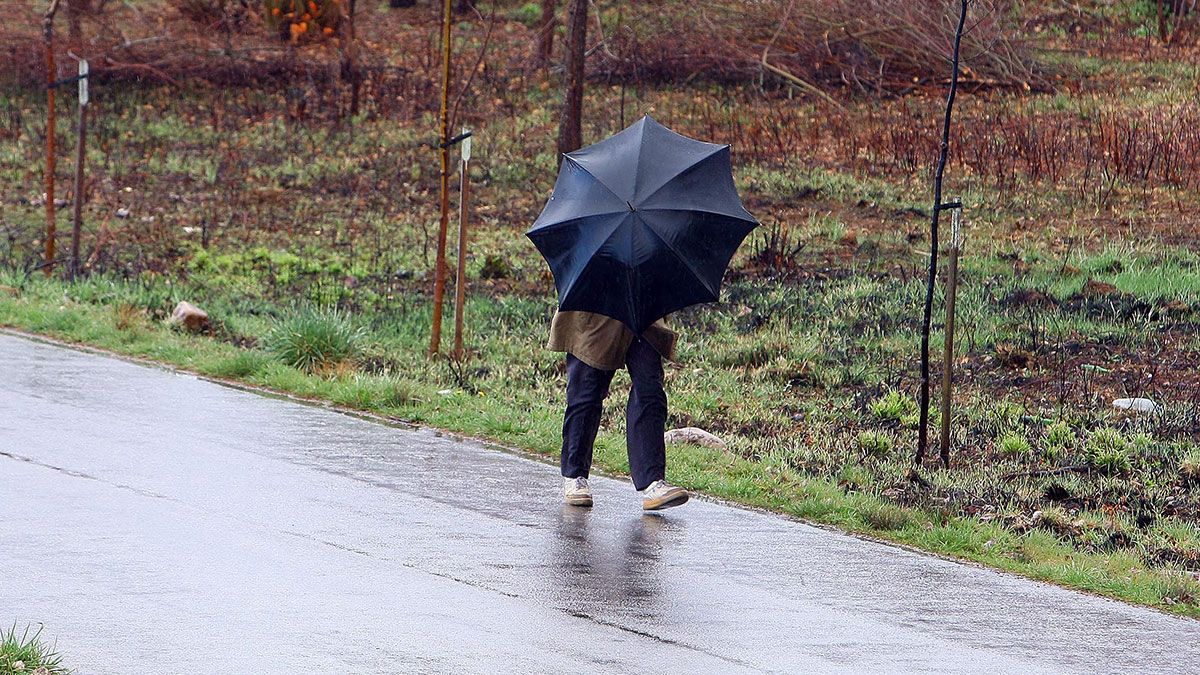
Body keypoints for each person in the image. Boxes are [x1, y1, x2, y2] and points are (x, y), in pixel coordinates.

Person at [548, 310, 690, 511]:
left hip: (642, 308)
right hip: (594, 308)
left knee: (650, 391)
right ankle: (575, 475)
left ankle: (653, 482)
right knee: (586, 393)